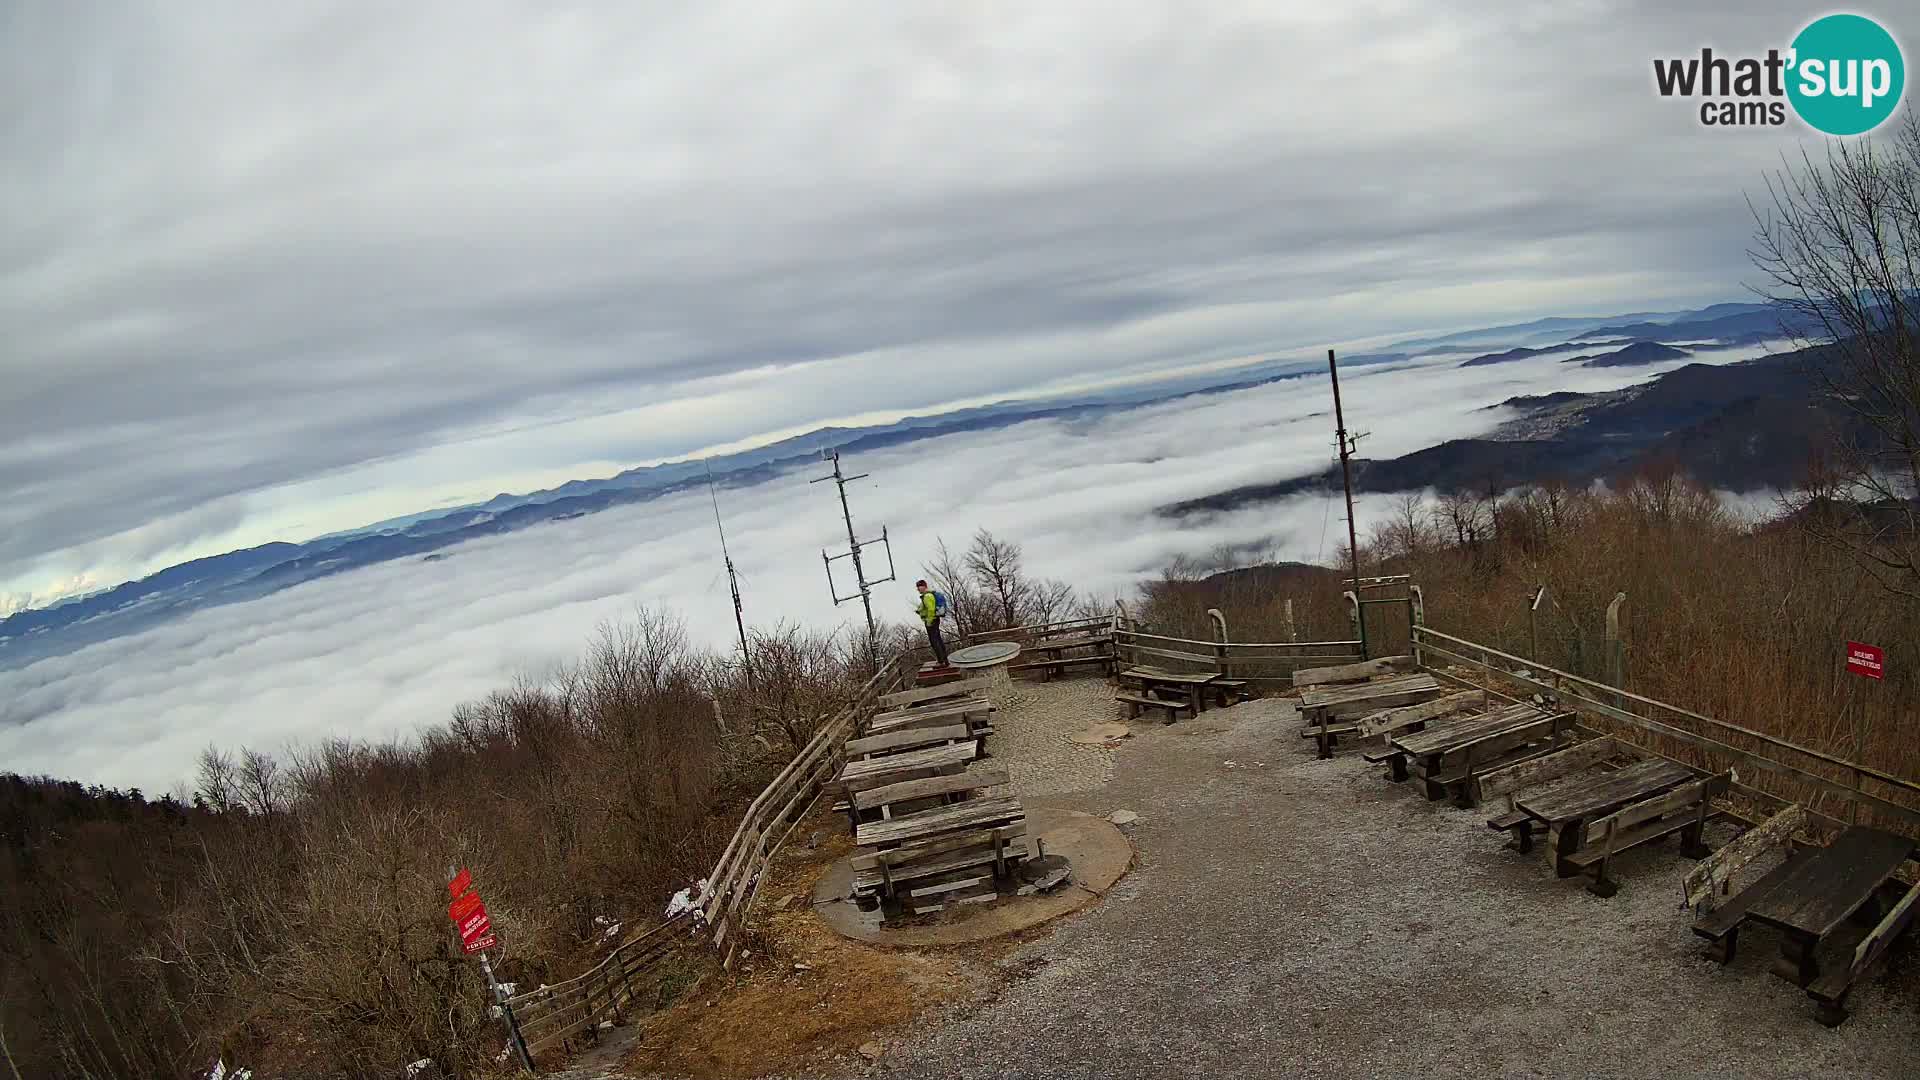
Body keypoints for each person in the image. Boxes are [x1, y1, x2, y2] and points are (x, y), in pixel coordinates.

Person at [914, 579, 949, 667]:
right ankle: (944, 660)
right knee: (938, 639)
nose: (918, 589)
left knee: (934, 641)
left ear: (924, 586)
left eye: (919, 587)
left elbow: (930, 609)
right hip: (934, 619)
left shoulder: (927, 596)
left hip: (931, 620)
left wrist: (929, 622)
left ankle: (941, 661)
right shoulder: (928, 595)